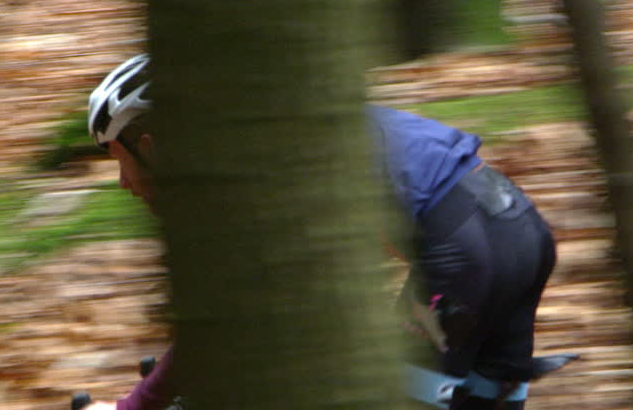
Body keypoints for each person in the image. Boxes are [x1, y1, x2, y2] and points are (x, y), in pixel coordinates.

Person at [82, 54, 556, 410]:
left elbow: (219, 322)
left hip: (462, 254)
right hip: (520, 228)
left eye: (118, 161)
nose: (123, 183)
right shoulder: (273, 128)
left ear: (151, 147)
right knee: (482, 399)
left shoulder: (238, 178)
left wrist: (135, 405)